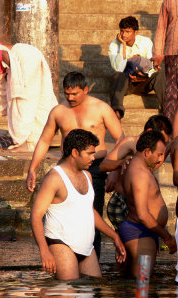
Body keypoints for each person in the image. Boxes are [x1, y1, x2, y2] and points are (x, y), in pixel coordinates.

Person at [26, 72, 124, 258]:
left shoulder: (101, 108)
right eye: (67, 94)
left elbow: (120, 138)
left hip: (95, 167)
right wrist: (32, 168)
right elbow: (45, 141)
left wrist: (114, 169)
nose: (70, 98)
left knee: (92, 214)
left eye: (75, 94)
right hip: (67, 167)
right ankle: (62, 255)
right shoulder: (58, 111)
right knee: (61, 212)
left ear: (85, 90)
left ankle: (91, 259)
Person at [30, 129, 126, 280]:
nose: (94, 157)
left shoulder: (87, 176)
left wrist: (114, 236)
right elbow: (36, 215)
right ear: (75, 152)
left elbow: (90, 212)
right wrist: (44, 250)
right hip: (61, 243)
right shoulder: (55, 178)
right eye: (90, 153)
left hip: (86, 247)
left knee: (94, 286)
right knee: (68, 290)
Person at [100, 115, 172, 230]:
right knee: (128, 243)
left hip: (141, 203)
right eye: (161, 139)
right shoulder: (131, 142)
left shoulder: (160, 148)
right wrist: (119, 165)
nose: (162, 143)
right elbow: (103, 165)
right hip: (123, 202)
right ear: (149, 131)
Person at [120, 130, 177, 277]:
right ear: (146, 152)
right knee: (142, 284)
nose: (160, 159)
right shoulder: (140, 174)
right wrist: (167, 237)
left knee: (134, 283)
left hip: (142, 232)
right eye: (158, 154)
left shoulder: (136, 166)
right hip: (139, 233)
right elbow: (143, 214)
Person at [0, 43, 58, 151]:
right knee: (39, 98)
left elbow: (4, 54)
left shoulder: (19, 53)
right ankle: (30, 140)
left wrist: (16, 73)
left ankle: (26, 142)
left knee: (23, 102)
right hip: (23, 57)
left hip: (22, 58)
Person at [108, 16, 165, 118]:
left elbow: (152, 68)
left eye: (128, 31)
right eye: (122, 31)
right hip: (126, 84)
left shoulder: (146, 42)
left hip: (144, 81)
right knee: (117, 75)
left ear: (136, 32)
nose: (124, 34)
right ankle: (117, 111)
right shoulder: (114, 45)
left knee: (160, 75)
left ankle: (166, 109)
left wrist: (142, 76)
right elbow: (119, 69)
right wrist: (123, 45)